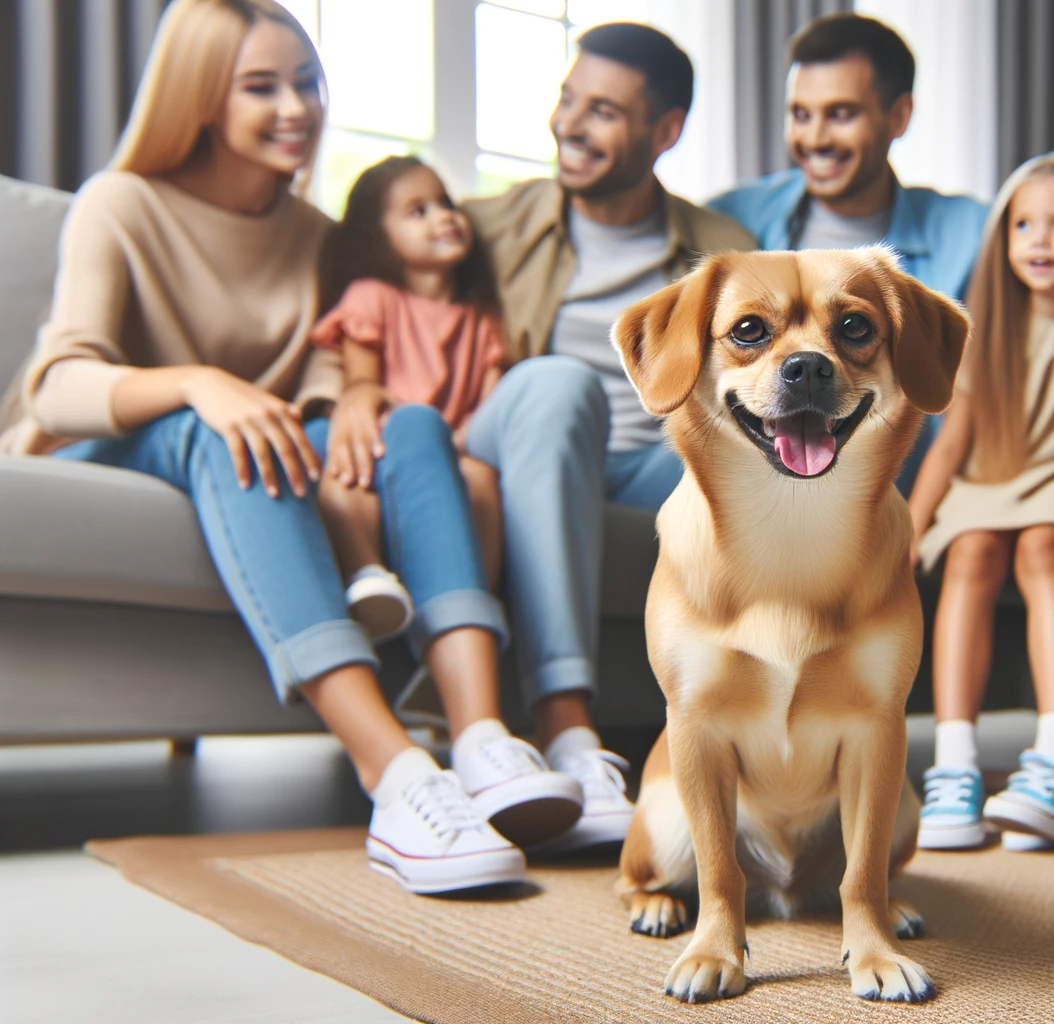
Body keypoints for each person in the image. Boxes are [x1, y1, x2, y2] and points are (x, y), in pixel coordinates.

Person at [0, 0, 579, 894]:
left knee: (408, 422)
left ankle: (479, 740)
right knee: (226, 429)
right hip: (119, 441)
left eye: (307, 83)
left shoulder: (315, 236)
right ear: (199, 99)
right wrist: (200, 382)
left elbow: (322, 368)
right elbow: (59, 385)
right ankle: (394, 775)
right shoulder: (121, 205)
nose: (297, 109)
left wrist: (352, 399)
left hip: (252, 435)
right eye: (261, 88)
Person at [459, 21, 755, 856]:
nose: (571, 126)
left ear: (664, 133)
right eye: (567, 102)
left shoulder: (723, 251)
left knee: (734, 473)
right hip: (531, 445)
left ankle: (776, 755)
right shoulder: (488, 227)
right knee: (559, 383)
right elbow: (374, 272)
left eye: (604, 112)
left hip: (647, 468)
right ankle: (566, 726)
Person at [906, 154, 1054, 852]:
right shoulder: (988, 335)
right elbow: (947, 448)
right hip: (984, 485)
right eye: (1023, 225)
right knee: (970, 554)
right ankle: (956, 764)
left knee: (1044, 550)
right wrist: (910, 527)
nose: (1039, 240)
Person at [708, 12, 987, 492]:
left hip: (911, 481)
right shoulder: (730, 221)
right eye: (800, 114)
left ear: (898, 116)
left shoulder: (974, 233)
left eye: (841, 114)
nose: (815, 138)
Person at [311, 156, 510, 638]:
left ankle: (468, 605)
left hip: (454, 450)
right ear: (380, 237)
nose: (444, 217)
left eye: (445, 204)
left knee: (481, 480)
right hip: (386, 437)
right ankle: (367, 573)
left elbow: (490, 410)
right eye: (417, 211)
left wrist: (457, 445)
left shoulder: (483, 322)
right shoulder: (371, 297)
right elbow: (363, 388)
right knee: (348, 467)